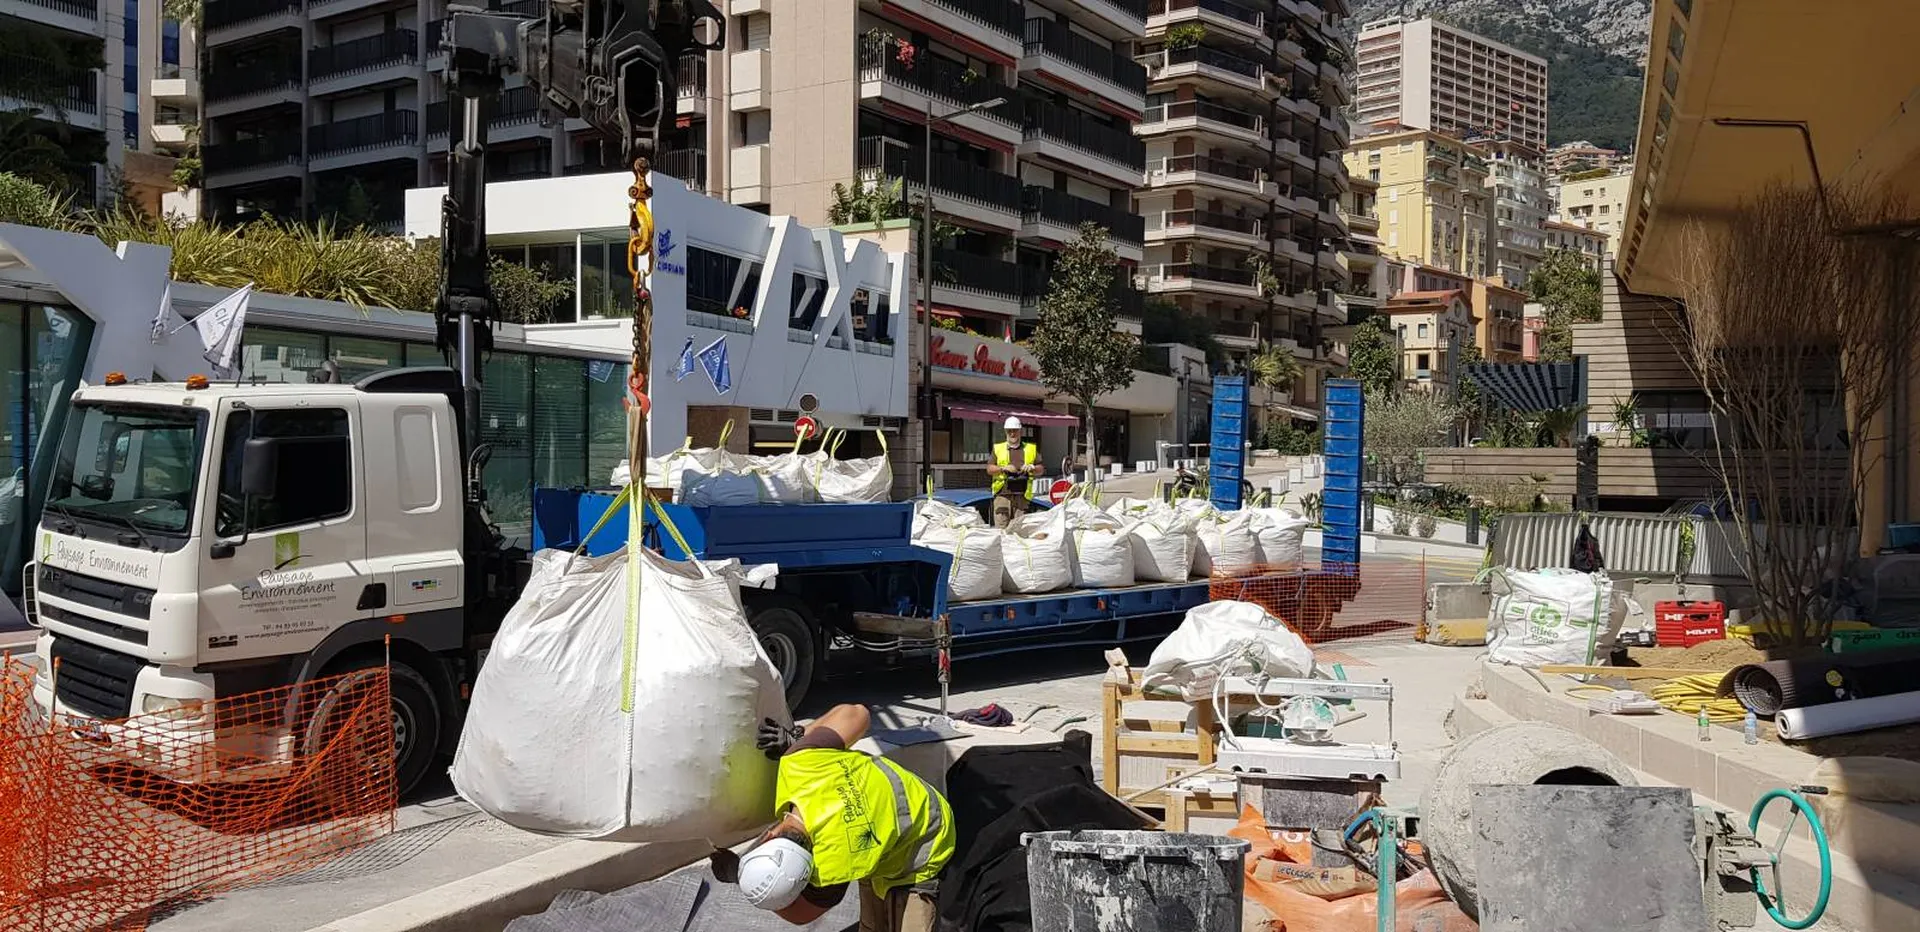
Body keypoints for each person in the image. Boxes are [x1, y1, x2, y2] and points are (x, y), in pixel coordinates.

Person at [716, 704, 955, 932]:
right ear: (770, 835)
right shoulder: (802, 764)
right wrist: (800, 738)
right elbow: (858, 713)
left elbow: (801, 914)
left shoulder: (832, 866)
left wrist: (740, 877)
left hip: (927, 838)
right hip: (899, 813)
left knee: (905, 909)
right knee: (873, 916)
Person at [986, 416, 1038, 528]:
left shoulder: (1030, 448)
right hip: (1002, 496)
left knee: (1019, 531)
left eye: (1015, 431)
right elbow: (989, 469)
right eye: (1009, 431)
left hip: (1022, 497)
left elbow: (1041, 469)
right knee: (1002, 530)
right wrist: (1003, 468)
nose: (1012, 434)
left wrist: (1032, 467)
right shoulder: (998, 448)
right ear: (1005, 432)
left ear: (1020, 431)